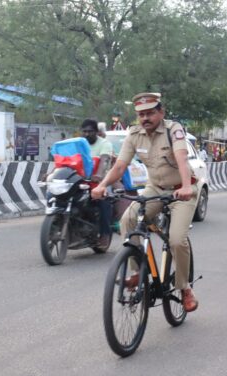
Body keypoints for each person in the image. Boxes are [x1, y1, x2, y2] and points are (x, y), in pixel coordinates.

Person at [91, 92, 199, 313]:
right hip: (155, 188)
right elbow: (120, 166)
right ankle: (136, 271)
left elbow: (181, 158)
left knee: (177, 240)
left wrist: (187, 187)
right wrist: (102, 185)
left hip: (181, 191)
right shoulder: (134, 134)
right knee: (128, 220)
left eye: (150, 113)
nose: (145, 118)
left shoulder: (173, 130)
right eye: (141, 114)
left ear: (161, 112)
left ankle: (184, 288)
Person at [81, 119, 114, 248]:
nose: (87, 134)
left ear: (96, 132)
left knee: (102, 200)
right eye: (84, 131)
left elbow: (104, 160)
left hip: (101, 181)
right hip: (81, 180)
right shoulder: (79, 144)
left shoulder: (104, 144)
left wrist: (99, 175)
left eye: (90, 131)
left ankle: (105, 234)